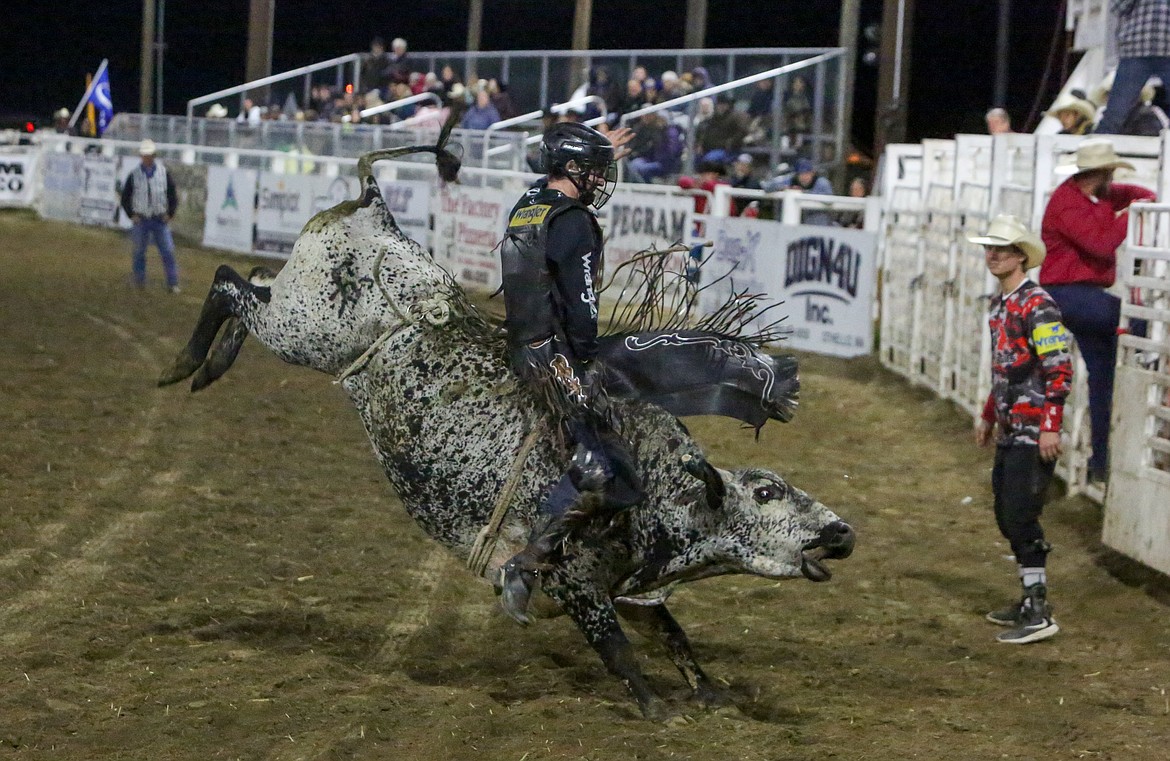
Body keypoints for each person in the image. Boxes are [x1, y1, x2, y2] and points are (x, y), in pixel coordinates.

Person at [496, 122, 642, 625]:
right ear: (574, 169)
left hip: (520, 344)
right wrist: (583, 357)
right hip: (552, 355)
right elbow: (582, 307)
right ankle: (528, 564)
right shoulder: (575, 222)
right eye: (596, 170)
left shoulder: (530, 204)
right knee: (602, 463)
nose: (602, 180)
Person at [969, 214, 1072, 645]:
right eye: (989, 248)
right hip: (1015, 426)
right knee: (1007, 512)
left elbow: (1058, 369)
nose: (993, 255)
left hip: (1033, 429)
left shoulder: (1037, 304)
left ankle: (1038, 607)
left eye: (1003, 249)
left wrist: (1051, 427)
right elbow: (1005, 368)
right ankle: (1031, 598)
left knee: (1019, 513)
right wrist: (991, 413)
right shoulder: (1002, 305)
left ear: (1021, 257)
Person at [1040, 137, 1156, 480]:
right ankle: (1149, 360)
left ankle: (1101, 461)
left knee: (1102, 378)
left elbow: (1137, 194)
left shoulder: (1084, 196)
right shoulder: (1069, 204)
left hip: (1077, 296)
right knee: (1138, 322)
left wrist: (1136, 203)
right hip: (1071, 294)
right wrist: (1131, 215)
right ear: (1103, 172)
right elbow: (1103, 246)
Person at [1097, 0, 1170, 134]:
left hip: (1140, 48)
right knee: (1115, 114)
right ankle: (1094, 151)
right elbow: (1117, 7)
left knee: (1115, 114)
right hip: (1136, 49)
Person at [120, 139, 180, 293]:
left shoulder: (163, 173)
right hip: (141, 219)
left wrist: (170, 213)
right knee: (139, 251)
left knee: (167, 251)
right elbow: (125, 197)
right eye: (144, 155)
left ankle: (172, 283)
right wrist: (131, 214)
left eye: (149, 155)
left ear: (153, 156)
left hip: (159, 218)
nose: (146, 158)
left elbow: (172, 195)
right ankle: (140, 280)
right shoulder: (135, 174)